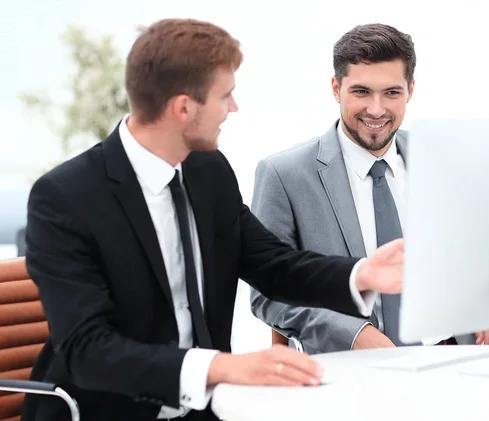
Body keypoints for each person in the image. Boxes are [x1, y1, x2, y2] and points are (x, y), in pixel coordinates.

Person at [23, 19, 404, 421]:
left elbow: (274, 265)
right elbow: (89, 351)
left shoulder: (209, 172)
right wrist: (223, 367)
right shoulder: (65, 198)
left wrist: (362, 274)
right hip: (102, 411)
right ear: (184, 107)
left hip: (208, 410)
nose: (233, 108)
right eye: (226, 96)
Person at [250, 23, 489, 355]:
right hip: (355, 370)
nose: (376, 110)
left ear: (411, 90)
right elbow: (267, 293)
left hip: (457, 356)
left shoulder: (446, 160)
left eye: (392, 93)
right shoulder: (284, 175)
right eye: (361, 91)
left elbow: (485, 254)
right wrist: (355, 333)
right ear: (336, 89)